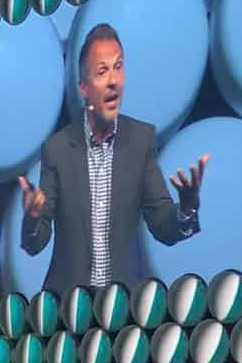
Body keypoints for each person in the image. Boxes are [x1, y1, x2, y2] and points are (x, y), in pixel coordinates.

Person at [19, 23, 209, 298]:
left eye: (118, 67)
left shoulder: (141, 141)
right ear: (84, 87)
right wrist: (32, 220)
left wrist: (187, 209)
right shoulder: (57, 149)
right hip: (69, 311)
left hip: (125, 310)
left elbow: (162, 226)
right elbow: (36, 243)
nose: (114, 81)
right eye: (102, 71)